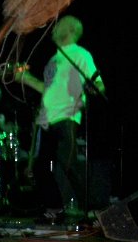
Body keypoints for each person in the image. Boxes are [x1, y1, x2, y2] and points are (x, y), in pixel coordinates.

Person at [16, 15, 105, 221]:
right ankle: (54, 208)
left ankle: (93, 209)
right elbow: (46, 89)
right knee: (40, 168)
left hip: (67, 116)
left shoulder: (80, 54)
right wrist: (25, 79)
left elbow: (98, 83)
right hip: (47, 119)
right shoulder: (53, 59)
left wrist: (93, 89)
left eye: (61, 24)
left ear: (72, 30)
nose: (55, 27)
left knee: (68, 164)